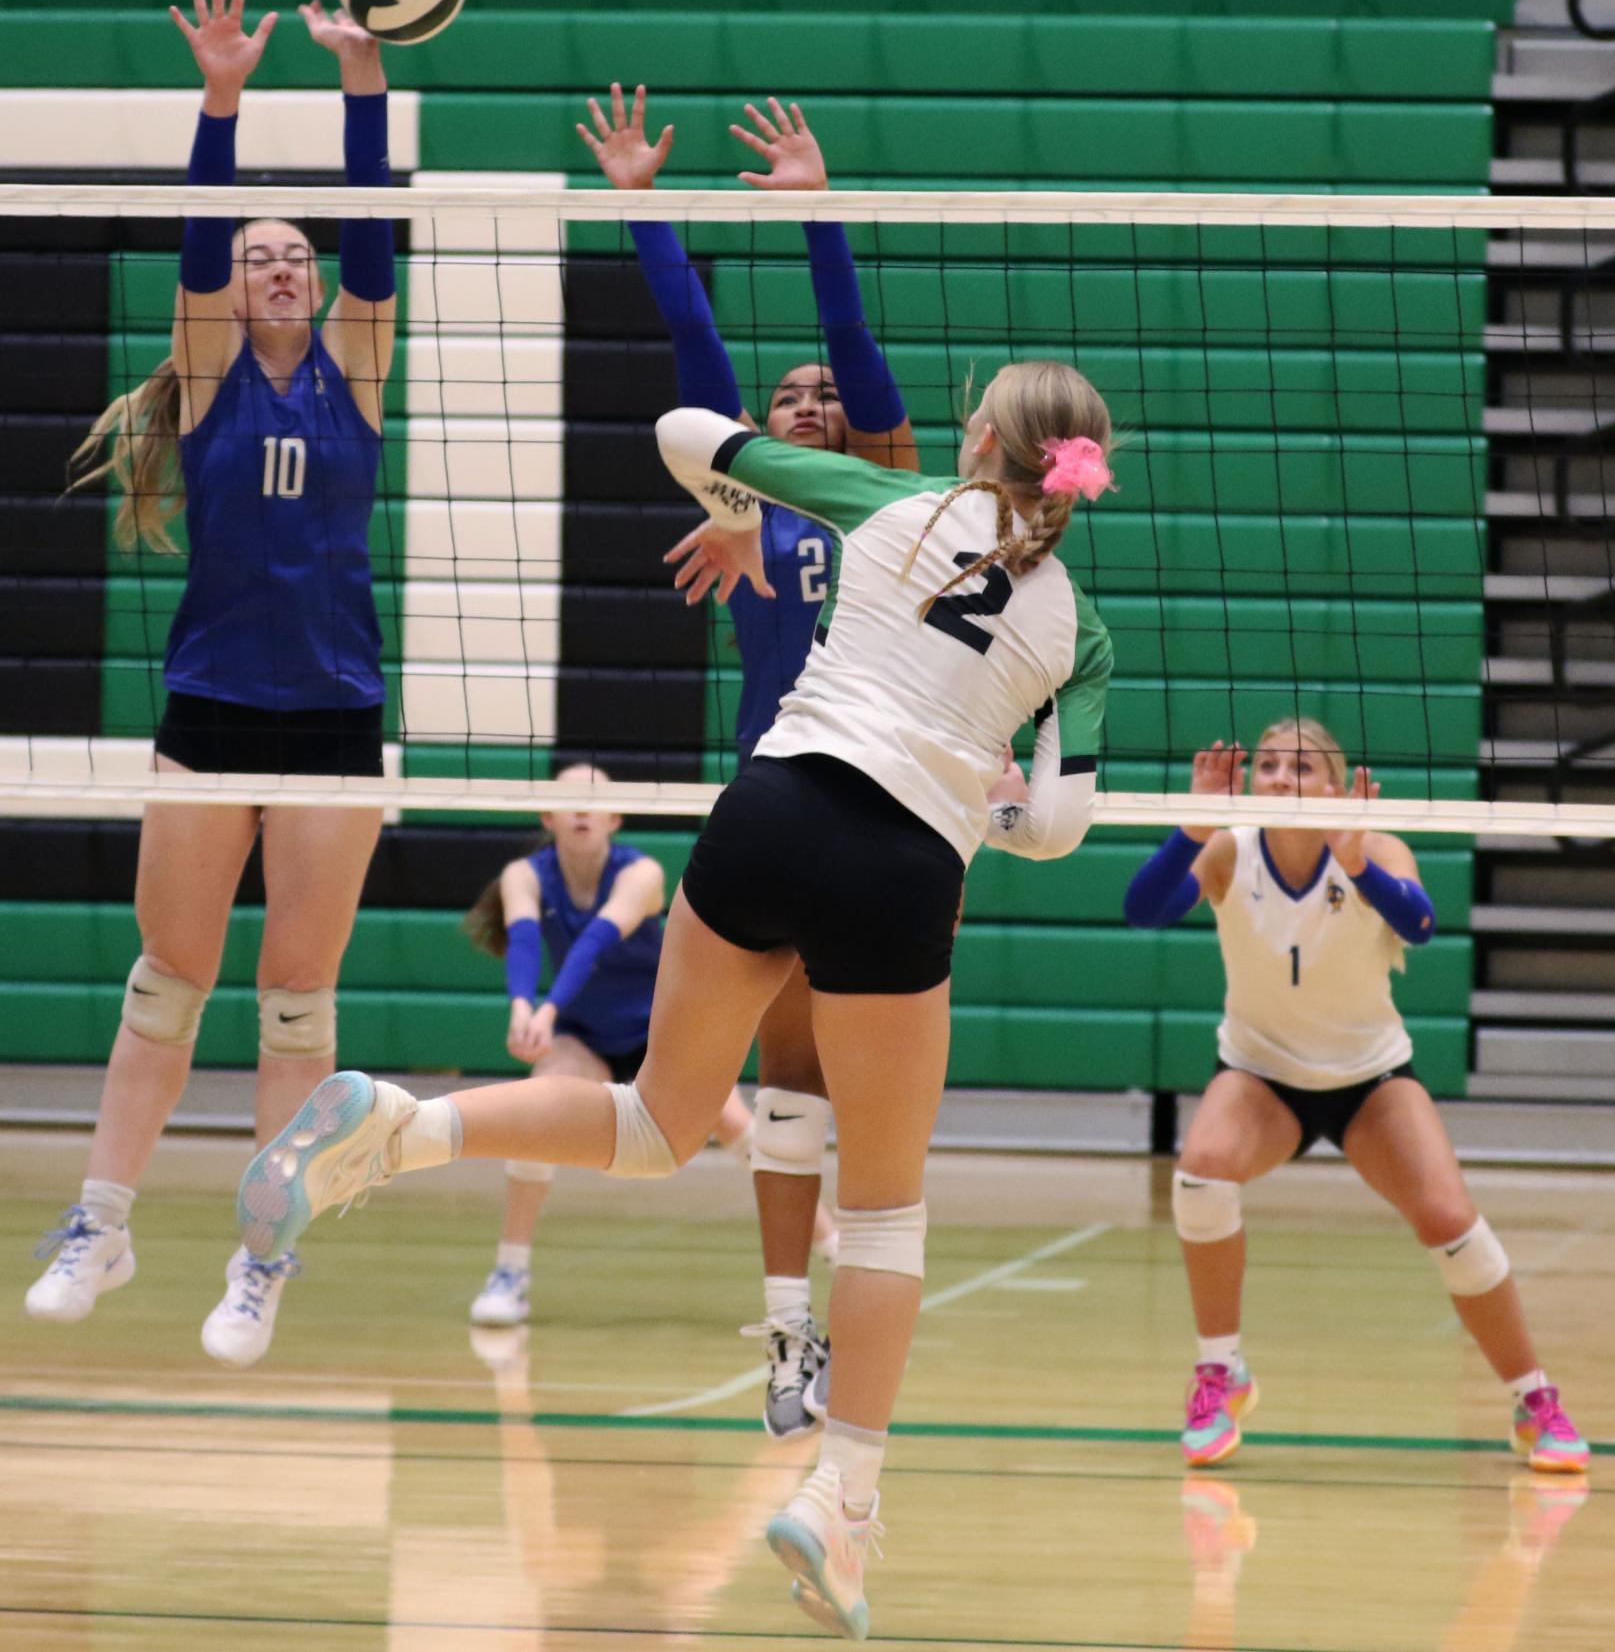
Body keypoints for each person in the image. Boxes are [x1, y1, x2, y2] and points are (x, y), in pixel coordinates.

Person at [237, 356, 1116, 1640]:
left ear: (982, 436)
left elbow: (679, 426)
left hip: (772, 809)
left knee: (657, 1121)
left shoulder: (880, 502)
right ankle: (840, 1505)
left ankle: (401, 1128)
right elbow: (1055, 828)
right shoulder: (1077, 628)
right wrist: (978, 787)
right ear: (1071, 475)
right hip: (902, 861)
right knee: (880, 1221)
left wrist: (746, 499)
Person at [26, 0, 397, 1371]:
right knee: (168, 981)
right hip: (210, 713)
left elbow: (376, 235)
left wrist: (360, 81)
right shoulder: (206, 369)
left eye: (292, 252)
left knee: (297, 999)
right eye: (255, 256)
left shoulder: (360, 365)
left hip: (336, 717)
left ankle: (261, 1259)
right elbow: (194, 238)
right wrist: (224, 97)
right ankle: (101, 1222)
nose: (278, 266)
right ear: (227, 291)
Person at [577, 82, 918, 1439]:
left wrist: (813, 208)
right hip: (775, 806)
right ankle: (789, 1340)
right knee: (784, 1092)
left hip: (888, 808)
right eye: (788, 397)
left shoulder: (894, 487)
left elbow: (853, 343)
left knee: (872, 1103)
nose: (814, 396)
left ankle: (851, 1332)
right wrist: (641, 206)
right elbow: (693, 345)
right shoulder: (739, 504)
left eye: (826, 394)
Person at [1124, 721, 1590, 1475]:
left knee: (1449, 1220)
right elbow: (1143, 910)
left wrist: (1355, 862)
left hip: (1368, 1078)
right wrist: (1188, 826)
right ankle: (1219, 1372)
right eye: (1268, 765)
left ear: (1337, 788)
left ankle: (1535, 1399)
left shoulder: (1372, 846)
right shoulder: (1228, 845)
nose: (1279, 778)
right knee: (1201, 1173)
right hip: (1260, 1074)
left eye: (1301, 767)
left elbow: (1423, 923)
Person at [459, 761, 760, 1324]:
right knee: (534, 1115)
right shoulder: (523, 875)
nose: (582, 808)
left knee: (737, 1126)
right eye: (568, 799)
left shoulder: (640, 873)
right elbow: (523, 942)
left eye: (595, 799)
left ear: (615, 816)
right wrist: (522, 1005)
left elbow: (595, 943)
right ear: (547, 815)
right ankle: (510, 1274)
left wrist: (546, 1008)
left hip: (660, 1032)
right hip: (586, 1037)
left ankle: (832, 1247)